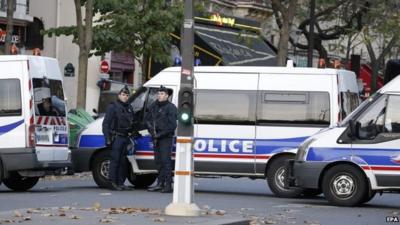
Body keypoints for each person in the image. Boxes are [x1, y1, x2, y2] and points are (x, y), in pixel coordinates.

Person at [102, 87, 135, 191]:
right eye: (123, 95)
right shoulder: (113, 107)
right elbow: (105, 124)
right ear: (119, 95)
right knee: (115, 160)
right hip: (116, 137)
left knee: (123, 161)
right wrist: (107, 138)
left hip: (125, 137)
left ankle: (120, 183)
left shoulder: (129, 107)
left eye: (126, 95)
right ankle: (112, 182)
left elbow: (132, 122)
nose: (125, 97)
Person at [146, 86, 177, 193]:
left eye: (162, 94)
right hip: (155, 137)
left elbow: (172, 125)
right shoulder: (154, 106)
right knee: (158, 161)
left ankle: (168, 185)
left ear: (167, 96)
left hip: (165, 138)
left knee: (166, 161)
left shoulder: (171, 107)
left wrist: (160, 134)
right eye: (159, 93)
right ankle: (160, 183)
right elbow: (148, 119)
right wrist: (152, 132)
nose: (159, 95)